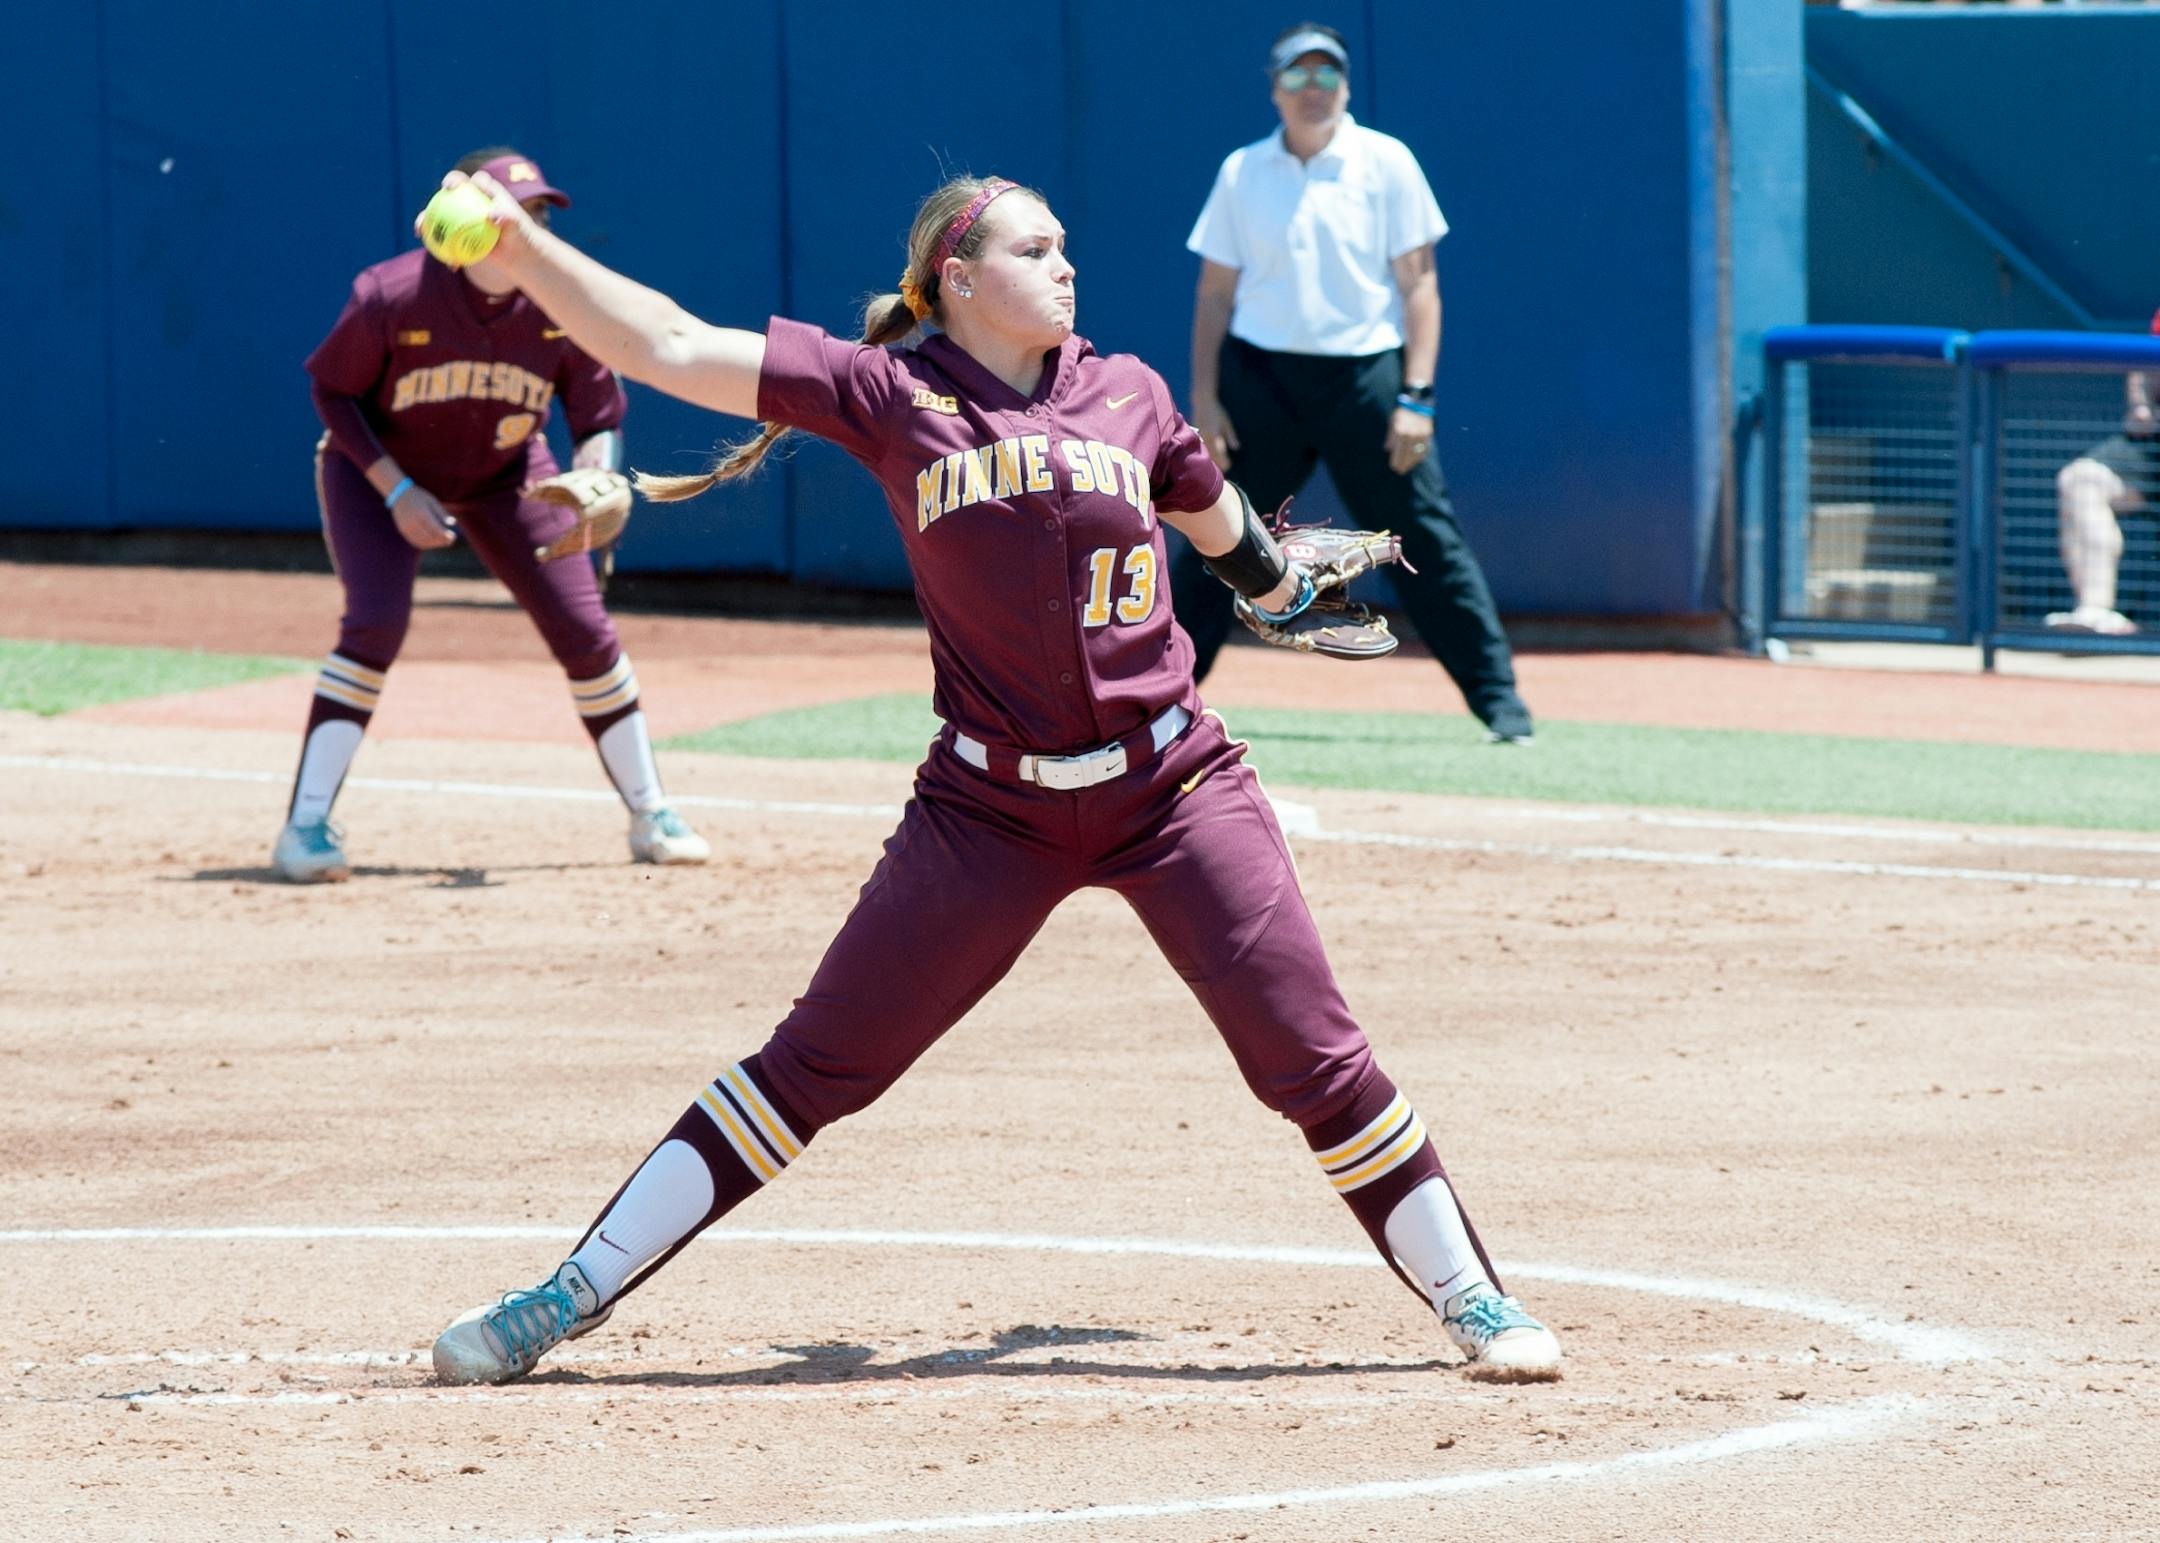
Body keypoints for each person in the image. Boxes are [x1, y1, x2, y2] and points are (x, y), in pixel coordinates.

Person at [423, 168, 1564, 1386]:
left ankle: (1474, 1301)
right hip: (987, 813)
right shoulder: (888, 392)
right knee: (812, 1069)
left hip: (1172, 789)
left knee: (1312, 1059)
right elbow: (669, 341)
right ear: (957, 279)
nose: (1066, 264)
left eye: (1067, 244)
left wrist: (1277, 584)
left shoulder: (1125, 389)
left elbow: (1207, 500)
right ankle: (567, 1294)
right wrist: (525, 254)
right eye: (1034, 249)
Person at [272, 146, 710, 883]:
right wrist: (396, 490)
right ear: (467, 226)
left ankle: (651, 811)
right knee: (374, 624)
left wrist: (596, 472)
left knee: (585, 629)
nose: (532, 227)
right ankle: (305, 828)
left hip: (509, 476)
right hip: (381, 473)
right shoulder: (391, 295)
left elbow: (598, 415)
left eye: (540, 214)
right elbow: (333, 395)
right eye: (519, 213)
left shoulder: (562, 304)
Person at [1170, 23, 1536, 744]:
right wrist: (1206, 399)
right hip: (1261, 381)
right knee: (1216, 538)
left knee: (1422, 538)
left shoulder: (1387, 163)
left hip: (1368, 381)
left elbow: (1420, 287)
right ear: (1274, 89)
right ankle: (1157, 697)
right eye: (1298, 76)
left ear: (1346, 85)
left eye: (1327, 75)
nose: (1314, 90)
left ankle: (1502, 705)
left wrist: (1416, 397)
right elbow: (1214, 294)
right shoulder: (1243, 171)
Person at [2048, 329, 2157, 637]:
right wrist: (2141, 405)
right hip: (2153, 442)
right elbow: (2145, 362)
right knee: (2080, 479)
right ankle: (2095, 610)